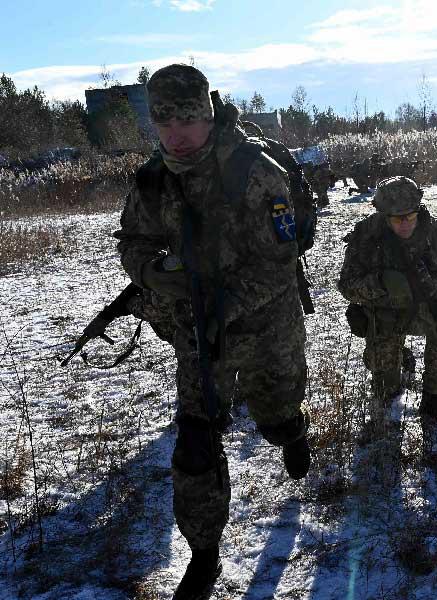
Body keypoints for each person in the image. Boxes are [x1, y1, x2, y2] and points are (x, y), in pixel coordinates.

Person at [114, 64, 311, 600]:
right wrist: (152, 273)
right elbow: (131, 240)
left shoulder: (254, 171)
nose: (175, 133)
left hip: (269, 322)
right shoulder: (154, 179)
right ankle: (204, 555)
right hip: (203, 334)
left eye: (185, 119)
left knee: (274, 416)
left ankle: (292, 431)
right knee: (196, 443)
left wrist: (220, 304)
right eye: (163, 121)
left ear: (207, 112)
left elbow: (279, 264)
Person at [337, 176, 437, 433]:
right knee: (386, 390)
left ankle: (433, 398)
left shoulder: (434, 235)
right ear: (384, 216)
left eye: (410, 217)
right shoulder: (366, 236)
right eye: (396, 219)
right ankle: (393, 362)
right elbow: (346, 285)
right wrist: (380, 283)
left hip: (420, 309)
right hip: (383, 314)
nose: (405, 224)